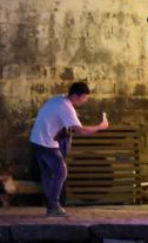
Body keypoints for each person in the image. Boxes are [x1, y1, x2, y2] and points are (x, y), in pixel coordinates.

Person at [28, 82, 109, 217]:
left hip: (36, 141)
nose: (85, 101)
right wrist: (100, 127)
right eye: (84, 97)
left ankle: (52, 205)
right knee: (61, 171)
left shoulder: (59, 99)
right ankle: (53, 206)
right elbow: (82, 131)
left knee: (47, 174)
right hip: (46, 143)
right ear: (76, 96)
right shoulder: (66, 107)